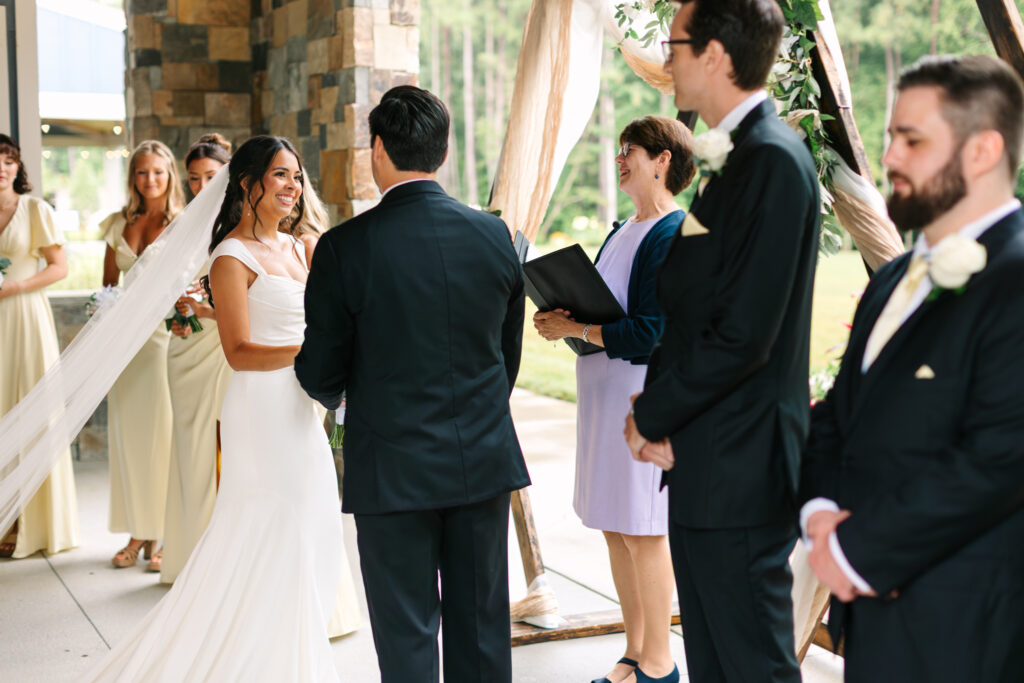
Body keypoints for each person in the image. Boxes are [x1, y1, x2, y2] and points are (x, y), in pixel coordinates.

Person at [87, 135, 345, 682]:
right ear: (248, 184)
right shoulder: (230, 255)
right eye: (280, 176)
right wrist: (314, 351)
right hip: (261, 410)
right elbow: (239, 351)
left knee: (316, 526)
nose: (293, 187)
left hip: (304, 411)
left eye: (297, 177)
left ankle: (286, 651)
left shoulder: (302, 248)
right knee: (270, 528)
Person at [800, 54, 1024, 683]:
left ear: (982, 151)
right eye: (892, 134)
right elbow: (841, 413)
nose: (890, 156)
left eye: (913, 139)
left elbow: (1002, 457)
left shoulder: (1017, 278)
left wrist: (855, 551)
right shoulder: (895, 275)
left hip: (967, 630)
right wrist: (819, 514)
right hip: (869, 621)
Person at [295, 85, 529, 683]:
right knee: (481, 630)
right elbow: (506, 358)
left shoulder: (344, 248)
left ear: (377, 149)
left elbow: (320, 370)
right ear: (442, 154)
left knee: (406, 635)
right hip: (479, 457)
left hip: (391, 468)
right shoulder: (497, 237)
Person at [625, 1, 820, 681]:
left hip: (740, 465)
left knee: (752, 666)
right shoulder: (736, 158)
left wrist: (651, 414)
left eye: (674, 42)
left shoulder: (772, 161)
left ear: (714, 55)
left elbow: (744, 334)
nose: (665, 55)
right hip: (707, 458)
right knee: (712, 662)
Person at [533, 116, 695, 683]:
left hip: (638, 397)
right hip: (603, 395)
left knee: (644, 529)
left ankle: (660, 663)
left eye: (631, 150)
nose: (620, 158)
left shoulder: (671, 232)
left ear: (663, 160)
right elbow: (606, 306)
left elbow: (652, 330)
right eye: (619, 150)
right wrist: (565, 320)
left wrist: (579, 329)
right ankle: (634, 650)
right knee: (614, 524)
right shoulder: (624, 228)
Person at [100, 140, 184, 572]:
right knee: (131, 441)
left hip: (162, 341)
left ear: (170, 175)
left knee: (164, 440)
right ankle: (139, 532)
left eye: (158, 172)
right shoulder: (120, 223)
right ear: (132, 177)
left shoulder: (184, 223)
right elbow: (109, 286)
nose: (150, 180)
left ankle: (167, 534)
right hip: (124, 348)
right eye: (141, 172)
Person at [0, 134, 79, 559]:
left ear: (18, 167)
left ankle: (34, 524)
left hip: (25, 317)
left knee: (29, 410)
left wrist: (15, 287)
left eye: (8, 160)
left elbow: (59, 267)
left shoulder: (35, 210)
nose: (1, 167)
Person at [159, 133, 233, 583]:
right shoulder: (185, 228)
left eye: (212, 176)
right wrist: (181, 312)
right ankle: (190, 561)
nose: (202, 187)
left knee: (224, 453)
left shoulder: (242, 223)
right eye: (194, 179)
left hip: (225, 351)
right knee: (190, 454)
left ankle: (220, 567)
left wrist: (205, 308)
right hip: (186, 351)